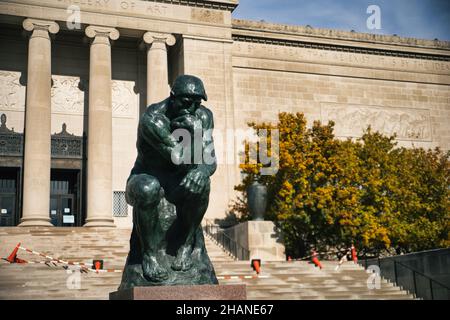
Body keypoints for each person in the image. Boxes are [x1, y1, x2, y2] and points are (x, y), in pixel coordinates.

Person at [124, 75, 217, 283]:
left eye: (197, 103)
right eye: (186, 102)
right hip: (144, 178)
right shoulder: (153, 119)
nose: (192, 108)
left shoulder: (203, 116)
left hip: (176, 183)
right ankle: (149, 255)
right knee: (149, 187)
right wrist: (194, 133)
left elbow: (210, 161)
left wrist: (202, 171)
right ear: (172, 97)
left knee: (202, 183)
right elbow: (179, 159)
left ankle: (186, 245)